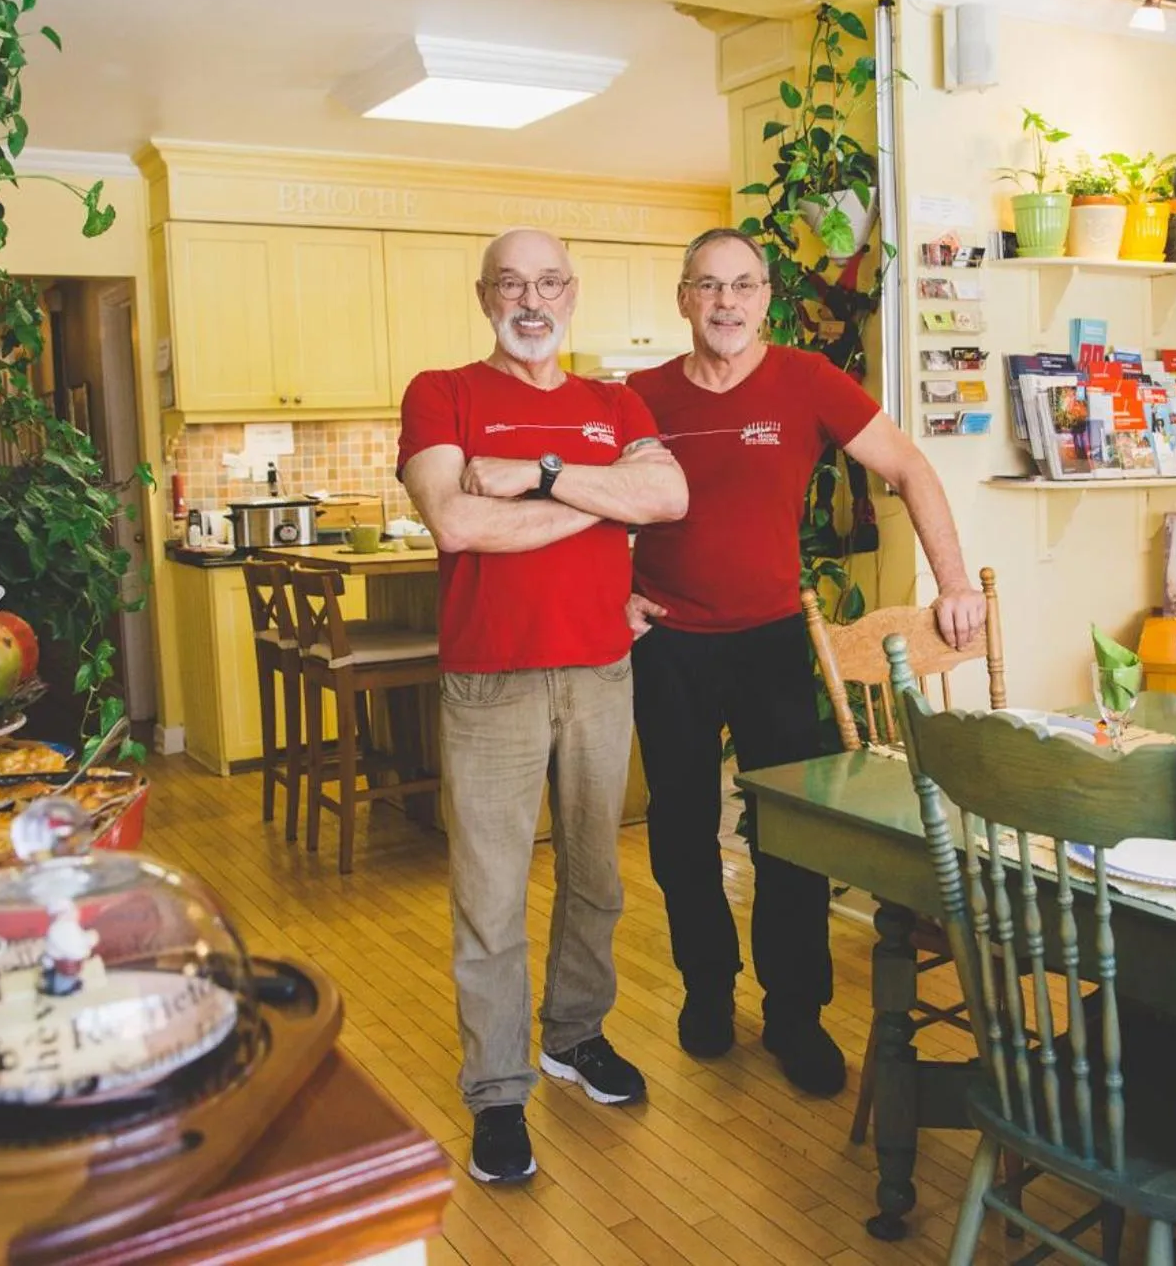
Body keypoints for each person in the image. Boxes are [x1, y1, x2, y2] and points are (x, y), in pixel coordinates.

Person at [624, 226, 984, 1096]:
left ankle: (795, 1013)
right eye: (710, 285)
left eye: (743, 285)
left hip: (772, 640)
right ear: (684, 297)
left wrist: (954, 582)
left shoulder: (808, 381)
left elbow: (910, 467)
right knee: (680, 830)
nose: (727, 302)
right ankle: (707, 990)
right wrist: (613, 593)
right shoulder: (640, 396)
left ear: (765, 299)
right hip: (669, 645)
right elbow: (592, 508)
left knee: (791, 829)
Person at [397, 227, 688, 1185]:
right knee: (490, 898)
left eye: (550, 282)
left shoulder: (614, 401)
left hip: (601, 671)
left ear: (572, 293)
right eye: (513, 283)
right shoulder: (442, 392)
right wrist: (607, 500)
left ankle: (574, 1034)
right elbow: (457, 520)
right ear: (486, 296)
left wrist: (543, 476)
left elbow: (670, 493)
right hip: (493, 679)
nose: (533, 300)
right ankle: (496, 1091)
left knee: (598, 876)